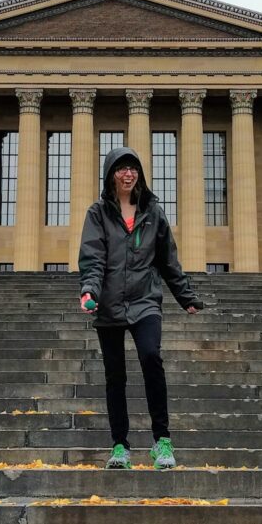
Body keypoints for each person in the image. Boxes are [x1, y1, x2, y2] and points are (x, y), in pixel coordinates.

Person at [78, 146, 201, 470]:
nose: (128, 173)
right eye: (121, 168)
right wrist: (89, 291)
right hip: (109, 303)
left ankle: (162, 441)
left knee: (151, 357)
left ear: (139, 174)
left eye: (133, 168)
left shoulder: (153, 213)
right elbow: (93, 258)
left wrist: (185, 296)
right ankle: (120, 445)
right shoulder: (97, 214)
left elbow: (168, 259)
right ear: (111, 175)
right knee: (115, 376)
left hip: (145, 299)